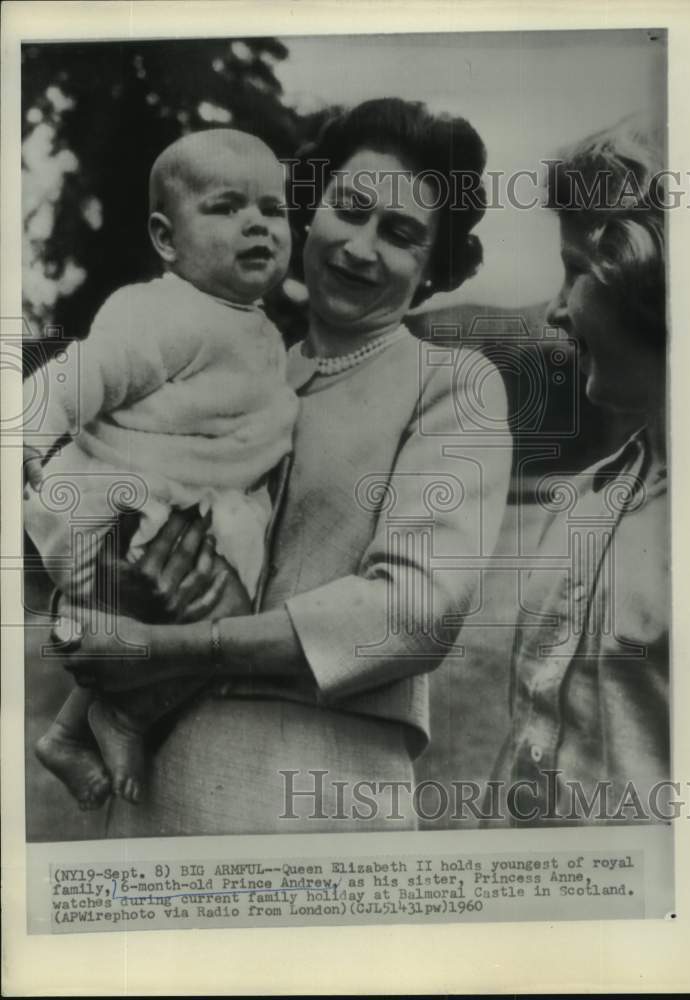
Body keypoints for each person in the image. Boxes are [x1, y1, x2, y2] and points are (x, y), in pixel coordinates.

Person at [55, 98, 513, 835]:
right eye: (350, 209)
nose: (361, 248)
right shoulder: (241, 368)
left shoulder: (451, 384)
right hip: (155, 783)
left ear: (432, 272)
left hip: (322, 788)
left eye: (399, 235)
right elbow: (98, 503)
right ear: (311, 211)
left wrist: (172, 647)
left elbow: (415, 612)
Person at [24, 129, 299, 809]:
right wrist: (29, 434)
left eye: (273, 208)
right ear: (166, 237)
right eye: (227, 207)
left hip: (183, 513)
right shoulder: (162, 312)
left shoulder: (259, 329)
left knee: (177, 632)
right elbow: (82, 374)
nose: (257, 223)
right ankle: (112, 719)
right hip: (126, 505)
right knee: (200, 619)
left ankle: (77, 729)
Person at [488, 115, 669, 826]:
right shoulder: (584, 505)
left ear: (646, 278)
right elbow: (528, 740)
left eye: (574, 271)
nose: (556, 309)